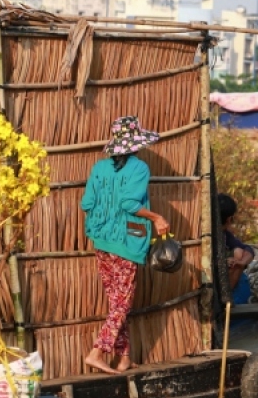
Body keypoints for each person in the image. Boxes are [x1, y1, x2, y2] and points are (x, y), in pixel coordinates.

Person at [80, 116, 170, 375]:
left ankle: (124, 358)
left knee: (117, 302)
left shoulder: (99, 168)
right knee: (123, 303)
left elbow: (86, 203)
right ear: (135, 145)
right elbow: (129, 203)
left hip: (101, 240)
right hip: (126, 242)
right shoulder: (139, 168)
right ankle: (97, 352)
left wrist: (103, 217)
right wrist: (156, 217)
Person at [216, 193, 255, 304]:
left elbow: (248, 249)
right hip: (211, 280)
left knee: (239, 252)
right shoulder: (208, 236)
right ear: (229, 219)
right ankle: (224, 300)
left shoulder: (225, 234)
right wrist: (223, 262)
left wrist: (242, 262)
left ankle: (227, 297)